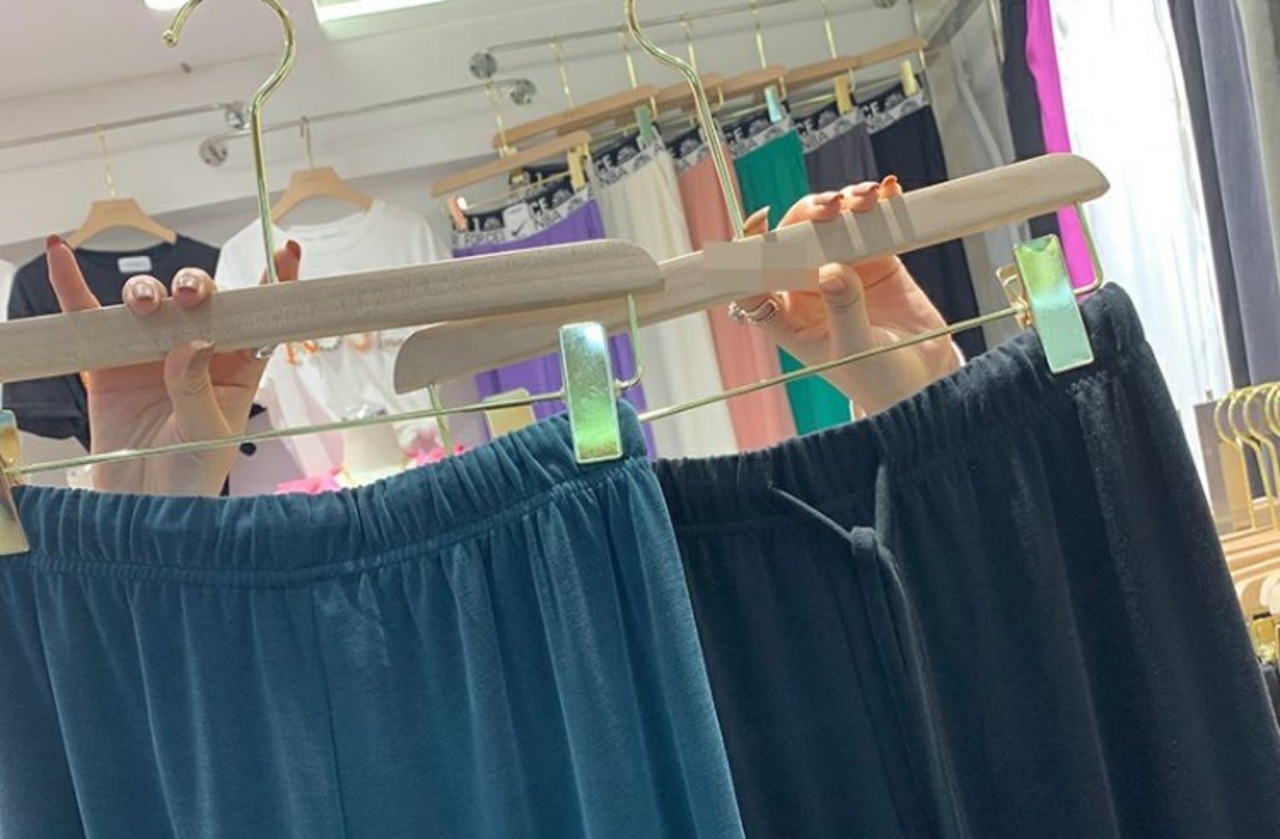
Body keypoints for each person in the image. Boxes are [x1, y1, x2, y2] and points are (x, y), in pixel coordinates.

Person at [46, 182, 961, 498]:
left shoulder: (404, 232)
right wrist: (140, 510)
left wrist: (937, 407)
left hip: (480, 477)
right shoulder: (244, 258)